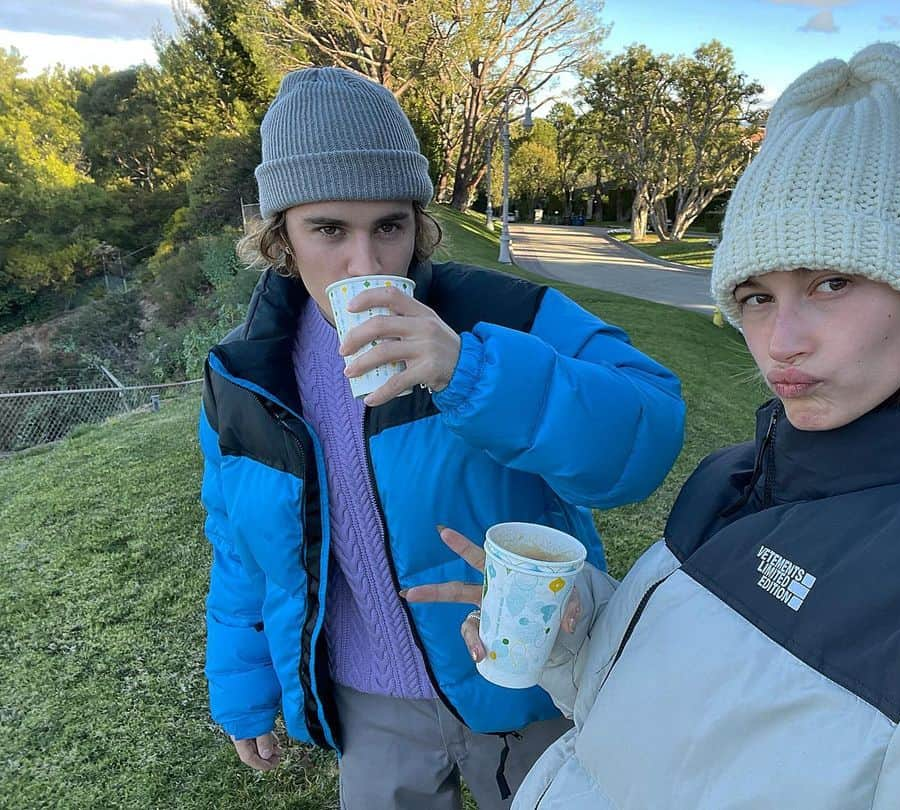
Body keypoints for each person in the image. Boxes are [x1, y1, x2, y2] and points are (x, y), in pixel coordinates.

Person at [410, 43, 900, 808]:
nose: (781, 340)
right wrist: (573, 630)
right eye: (757, 295)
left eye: (832, 282)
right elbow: (669, 726)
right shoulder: (733, 479)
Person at [196, 66, 685, 809]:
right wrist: (242, 689)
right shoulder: (243, 376)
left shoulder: (502, 315)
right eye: (329, 229)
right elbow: (236, 546)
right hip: (369, 707)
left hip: (526, 678)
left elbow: (649, 433)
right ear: (280, 239)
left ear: (418, 225)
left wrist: (473, 372)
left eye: (389, 227)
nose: (366, 264)